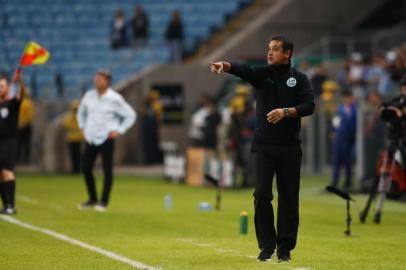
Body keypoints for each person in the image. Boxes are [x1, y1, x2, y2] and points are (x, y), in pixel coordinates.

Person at [210, 36, 315, 262]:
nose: (270, 53)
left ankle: (285, 249)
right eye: (268, 49)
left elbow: (309, 106)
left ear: (288, 53)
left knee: (288, 198)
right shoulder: (263, 75)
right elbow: (243, 70)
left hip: (289, 148)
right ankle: (267, 246)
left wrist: (287, 112)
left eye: (275, 49)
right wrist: (224, 65)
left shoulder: (299, 79)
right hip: (263, 148)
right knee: (261, 195)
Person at [77, 70, 136, 211]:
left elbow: (131, 115)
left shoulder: (114, 98)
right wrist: (82, 127)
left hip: (106, 137)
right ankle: (92, 198)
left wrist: (119, 130)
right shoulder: (89, 96)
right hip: (91, 138)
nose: (96, 81)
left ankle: (103, 202)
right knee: (85, 168)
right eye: (95, 78)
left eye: (100, 79)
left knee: (107, 170)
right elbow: (81, 113)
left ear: (107, 81)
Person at [0, 72, 26, 214]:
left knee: (7, 171)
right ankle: (5, 205)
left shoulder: (12, 103)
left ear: (8, 88)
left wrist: (20, 81)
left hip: (10, 140)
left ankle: (11, 205)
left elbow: (22, 94)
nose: (0, 89)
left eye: (2, 86)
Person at [330, 91, 357, 192]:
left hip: (348, 139)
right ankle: (334, 182)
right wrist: (333, 131)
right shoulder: (340, 108)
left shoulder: (355, 109)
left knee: (347, 162)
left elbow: (355, 125)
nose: (347, 100)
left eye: (349, 97)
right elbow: (335, 121)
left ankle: (348, 182)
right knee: (336, 161)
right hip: (339, 139)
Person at [63, 100, 83, 174]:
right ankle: (75, 169)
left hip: (78, 138)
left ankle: (78, 169)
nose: (75, 111)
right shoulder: (70, 117)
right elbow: (65, 124)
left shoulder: (79, 117)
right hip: (72, 138)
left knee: (78, 155)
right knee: (74, 155)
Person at [17, 91, 34, 163]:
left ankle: (18, 159)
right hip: (26, 126)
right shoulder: (29, 103)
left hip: (20, 126)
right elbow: (29, 117)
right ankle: (25, 160)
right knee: (26, 144)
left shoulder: (20, 103)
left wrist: (20, 125)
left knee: (19, 144)